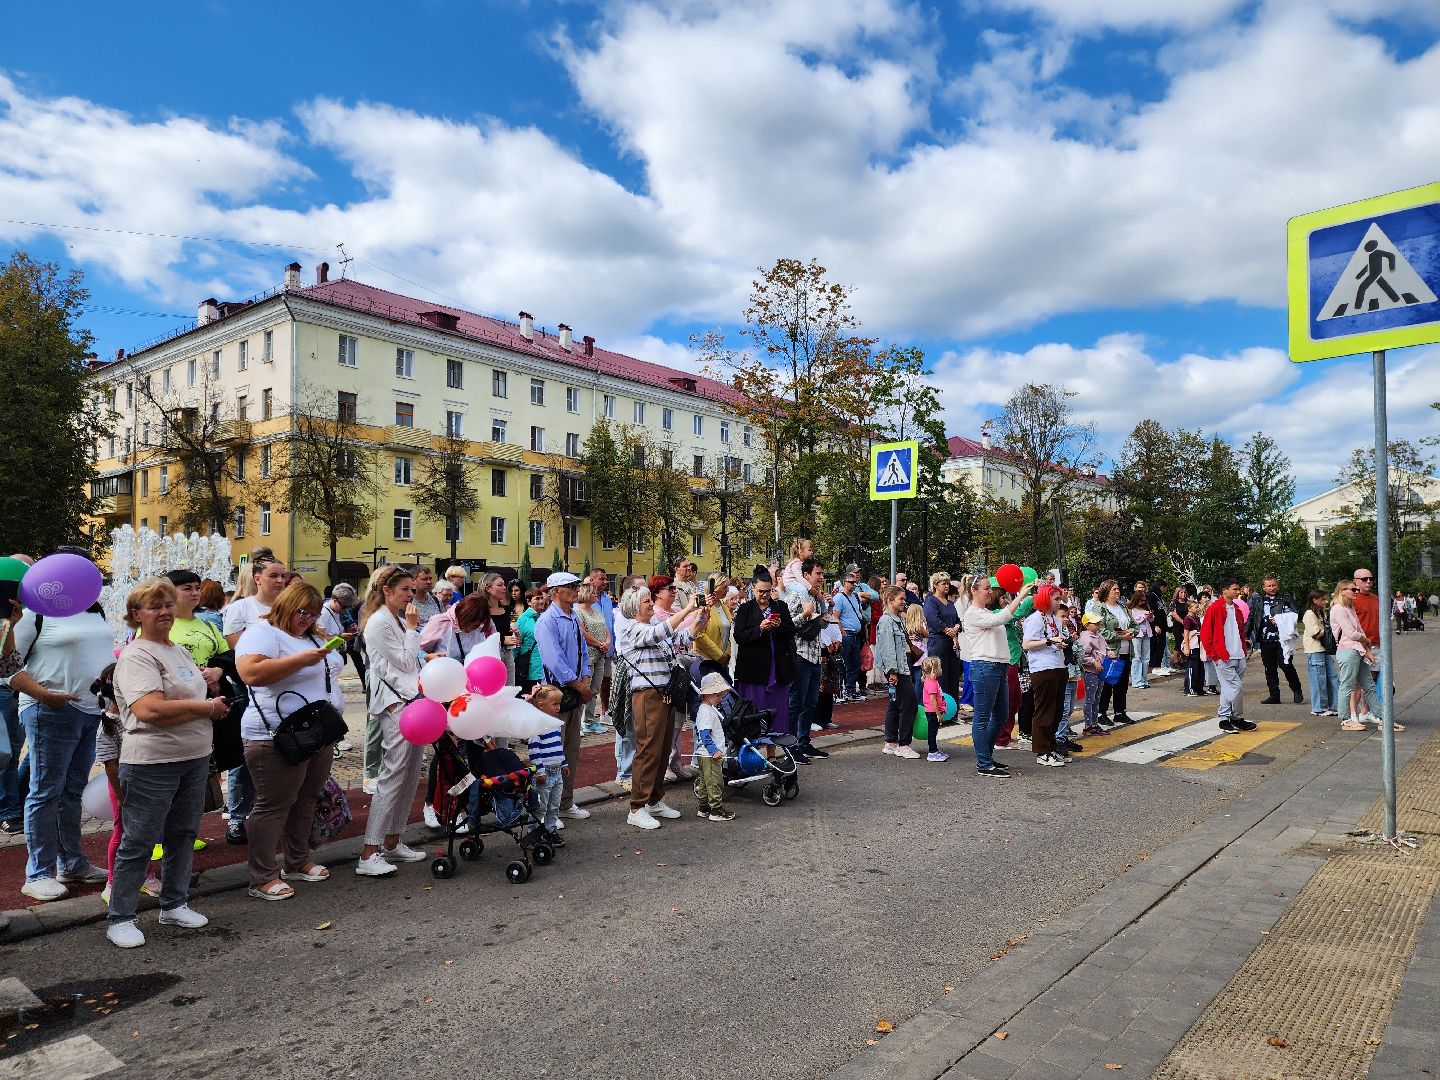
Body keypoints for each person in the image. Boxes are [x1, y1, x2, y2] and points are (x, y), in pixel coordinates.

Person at [106, 578, 230, 948]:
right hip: (152, 761)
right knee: (139, 840)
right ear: (135, 615)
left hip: (193, 757)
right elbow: (150, 709)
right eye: (153, 607)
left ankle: (174, 903)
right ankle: (121, 917)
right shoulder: (137, 654)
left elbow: (182, 696)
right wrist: (207, 708)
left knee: (183, 834)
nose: (164, 612)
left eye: (167, 605)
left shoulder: (177, 650)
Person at [235, 580, 345, 901]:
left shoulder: (310, 633)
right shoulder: (263, 632)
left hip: (317, 731)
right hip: (275, 734)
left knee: (307, 797)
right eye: (302, 612)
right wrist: (302, 659)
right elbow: (250, 673)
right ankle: (262, 876)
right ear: (285, 605)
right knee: (273, 805)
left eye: (313, 614)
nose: (308, 619)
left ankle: (296, 861)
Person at [8, 579, 115, 902]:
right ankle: (38, 873)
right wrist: (43, 695)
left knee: (71, 790)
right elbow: (7, 667)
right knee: (45, 791)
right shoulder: (35, 615)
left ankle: (71, 863)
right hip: (49, 711)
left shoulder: (95, 611)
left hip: (89, 711)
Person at [356, 565, 428, 877]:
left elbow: (411, 663)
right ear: (387, 590)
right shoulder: (379, 622)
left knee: (411, 773)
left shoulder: (396, 619)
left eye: (413, 590)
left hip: (412, 701)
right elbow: (405, 661)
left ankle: (392, 840)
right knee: (392, 775)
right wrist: (413, 630)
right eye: (405, 590)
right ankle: (368, 851)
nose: (411, 595)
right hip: (394, 705)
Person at [615, 585, 698, 830]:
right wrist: (688, 610)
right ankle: (637, 807)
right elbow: (663, 631)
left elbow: (683, 637)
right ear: (633, 607)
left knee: (661, 750)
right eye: (646, 602)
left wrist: (701, 616)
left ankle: (654, 800)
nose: (651, 604)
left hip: (665, 694)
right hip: (648, 695)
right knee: (648, 750)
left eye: (650, 601)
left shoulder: (650, 628)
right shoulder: (631, 628)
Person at [221, 553, 290, 844]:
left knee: (286, 755)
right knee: (246, 757)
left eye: (283, 576)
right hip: (250, 691)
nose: (280, 580)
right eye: (273, 575)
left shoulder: (289, 606)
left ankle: (280, 816)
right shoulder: (241, 608)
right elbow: (242, 654)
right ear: (257, 577)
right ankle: (237, 817)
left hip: (287, 689)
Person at [962, 576, 1036, 777]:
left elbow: (1004, 618)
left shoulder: (986, 611)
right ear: (974, 591)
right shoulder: (973, 614)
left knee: (1002, 715)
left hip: (999, 667)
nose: (990, 591)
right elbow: (1000, 618)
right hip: (985, 667)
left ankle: (986, 756)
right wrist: (1021, 595)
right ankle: (984, 763)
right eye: (986, 588)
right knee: (982, 718)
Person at [535, 571, 593, 821]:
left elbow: (584, 653)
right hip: (555, 694)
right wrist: (581, 686)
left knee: (571, 749)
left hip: (574, 691)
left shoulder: (573, 617)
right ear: (555, 591)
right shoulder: (548, 620)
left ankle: (565, 803)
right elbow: (554, 660)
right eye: (570, 585)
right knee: (551, 752)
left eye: (577, 585)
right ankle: (547, 809)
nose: (576, 589)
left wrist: (586, 679)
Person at [735, 567, 798, 756]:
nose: (764, 595)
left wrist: (778, 627)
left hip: (777, 668)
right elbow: (739, 636)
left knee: (776, 712)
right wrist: (759, 629)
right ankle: (751, 754)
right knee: (754, 712)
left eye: (768, 591)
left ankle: (772, 754)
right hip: (754, 671)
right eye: (760, 591)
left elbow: (791, 632)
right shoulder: (745, 609)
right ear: (752, 589)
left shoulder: (780, 607)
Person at [781, 559, 826, 761]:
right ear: (806, 575)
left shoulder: (816, 596)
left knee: (811, 703)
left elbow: (822, 621)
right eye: (817, 574)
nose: (821, 578)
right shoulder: (796, 594)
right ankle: (790, 747)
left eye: (822, 574)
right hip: (800, 654)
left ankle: (804, 743)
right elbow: (787, 624)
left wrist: (822, 613)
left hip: (815, 655)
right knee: (795, 703)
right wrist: (806, 614)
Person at [1200, 578, 1256, 733]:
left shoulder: (1236, 609)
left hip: (1238, 655)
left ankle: (1225, 719)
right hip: (1223, 657)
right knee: (1236, 687)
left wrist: (1243, 648)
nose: (1238, 592)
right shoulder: (1214, 608)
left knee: (1227, 689)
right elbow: (1205, 635)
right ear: (1224, 590)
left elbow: (1240, 630)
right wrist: (1214, 656)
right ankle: (1236, 718)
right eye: (1234, 589)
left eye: (1238, 589)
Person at [1331, 579, 1387, 732]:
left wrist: (1367, 649)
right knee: (1347, 685)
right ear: (1342, 591)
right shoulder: (1338, 609)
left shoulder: (1350, 608)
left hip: (1358, 651)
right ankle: (1345, 719)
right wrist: (1367, 641)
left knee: (1369, 685)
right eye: (1352, 590)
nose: (1356, 592)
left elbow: (1360, 630)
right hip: (1347, 651)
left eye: (1356, 590)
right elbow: (1351, 633)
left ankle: (1382, 717)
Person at [1022, 587, 1069, 768]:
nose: (1059, 602)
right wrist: (1050, 641)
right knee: (1045, 710)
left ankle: (1050, 747)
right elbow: (1027, 644)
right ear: (1045, 599)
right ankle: (1042, 751)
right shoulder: (1034, 619)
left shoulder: (1053, 619)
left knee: (1057, 710)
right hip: (1042, 668)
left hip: (1058, 665)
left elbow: (1053, 640)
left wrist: (1060, 643)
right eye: (1056, 599)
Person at [875, 585, 918, 758]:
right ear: (891, 600)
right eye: (900, 598)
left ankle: (891, 741)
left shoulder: (896, 619)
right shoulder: (887, 621)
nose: (904, 602)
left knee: (894, 704)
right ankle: (903, 743)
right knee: (909, 705)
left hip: (900, 666)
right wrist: (892, 671)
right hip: (897, 669)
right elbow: (887, 648)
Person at [1247, 574, 1303, 706]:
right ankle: (1274, 695)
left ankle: (1296, 689)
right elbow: (1252, 619)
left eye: (1274, 585)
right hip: (1266, 640)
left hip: (1282, 639)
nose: (1272, 588)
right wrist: (1245, 635)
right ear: (1263, 587)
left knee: (1286, 665)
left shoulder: (1286, 598)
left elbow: (1296, 614)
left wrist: (1281, 618)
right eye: (1269, 586)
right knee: (1269, 668)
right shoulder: (1258, 601)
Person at [525, 685, 567, 844]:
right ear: (541, 705)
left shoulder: (555, 723)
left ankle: (550, 831)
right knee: (540, 807)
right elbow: (533, 750)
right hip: (545, 773)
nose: (558, 707)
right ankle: (532, 835)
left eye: (559, 704)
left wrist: (564, 763)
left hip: (557, 773)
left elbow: (558, 745)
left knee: (554, 805)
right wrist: (539, 772)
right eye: (554, 704)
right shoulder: (537, 726)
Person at [691, 671, 734, 821]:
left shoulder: (705, 709)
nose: (720, 698)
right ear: (706, 694)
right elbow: (704, 735)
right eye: (717, 695)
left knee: (705, 782)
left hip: (705, 755)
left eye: (720, 694)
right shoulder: (707, 711)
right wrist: (714, 750)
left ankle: (703, 808)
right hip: (710, 755)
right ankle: (716, 810)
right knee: (715, 782)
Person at [1094, 581, 1136, 726]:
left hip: (1125, 649)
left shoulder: (1122, 607)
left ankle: (1120, 712)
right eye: (1114, 589)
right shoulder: (1100, 608)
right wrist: (1119, 636)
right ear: (1106, 591)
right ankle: (1101, 713)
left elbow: (1133, 624)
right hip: (1110, 651)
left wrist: (1131, 632)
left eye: (1118, 589)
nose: (1117, 591)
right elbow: (1100, 630)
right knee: (1107, 683)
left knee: (1122, 684)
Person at [576, 583, 611, 735]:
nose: (596, 595)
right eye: (593, 593)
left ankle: (589, 720)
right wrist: (599, 644)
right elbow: (582, 632)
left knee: (594, 688)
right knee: (585, 687)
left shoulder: (596, 611)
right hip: (587, 654)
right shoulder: (578, 611)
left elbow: (606, 629)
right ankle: (578, 722)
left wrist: (607, 643)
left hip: (600, 654)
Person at [923, 572, 962, 703]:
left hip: (952, 644)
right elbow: (933, 619)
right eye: (943, 583)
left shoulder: (950, 603)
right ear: (935, 585)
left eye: (948, 583)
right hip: (938, 642)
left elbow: (957, 620)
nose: (947, 586)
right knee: (941, 676)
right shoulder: (931, 601)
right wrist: (947, 630)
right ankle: (940, 710)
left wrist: (956, 628)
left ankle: (953, 710)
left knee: (953, 677)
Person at [1301, 589, 1339, 718]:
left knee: (1332, 677)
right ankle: (1319, 707)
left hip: (1324, 649)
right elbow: (1315, 634)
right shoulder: (1309, 614)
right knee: (1319, 679)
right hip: (1315, 649)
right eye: (1323, 599)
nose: (1325, 602)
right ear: (1315, 600)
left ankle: (1335, 705)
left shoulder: (1321, 613)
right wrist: (1329, 628)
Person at [832, 572, 866, 702]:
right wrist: (842, 632)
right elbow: (835, 617)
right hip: (846, 634)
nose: (854, 584)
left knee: (854, 664)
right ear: (844, 583)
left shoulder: (855, 597)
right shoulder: (839, 598)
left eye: (854, 582)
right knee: (842, 664)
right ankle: (839, 691)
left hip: (855, 635)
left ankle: (850, 690)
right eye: (851, 582)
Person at [1077, 613, 1109, 736]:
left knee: (1097, 698)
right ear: (1087, 625)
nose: (1098, 625)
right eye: (1095, 623)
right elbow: (1082, 655)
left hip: (1100, 670)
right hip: (1090, 671)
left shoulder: (1099, 636)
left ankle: (1095, 723)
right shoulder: (1086, 638)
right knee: (1090, 699)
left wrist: (1110, 653)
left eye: (1098, 622)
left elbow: (1105, 648)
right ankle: (1088, 725)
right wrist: (1093, 662)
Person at [918, 655, 947, 762]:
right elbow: (933, 700)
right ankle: (932, 752)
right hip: (932, 712)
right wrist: (938, 714)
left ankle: (934, 750)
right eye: (940, 667)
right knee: (932, 732)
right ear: (934, 670)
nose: (941, 669)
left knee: (933, 731)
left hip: (932, 711)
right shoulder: (931, 684)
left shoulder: (932, 681)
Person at [1127, 588, 1153, 689]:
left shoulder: (1145, 608)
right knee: (1136, 657)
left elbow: (1151, 619)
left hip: (1146, 634)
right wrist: (1143, 616)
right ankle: (1136, 680)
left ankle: (1143, 679)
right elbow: (1132, 622)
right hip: (1137, 634)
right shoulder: (1131, 609)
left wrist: (1149, 615)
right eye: (1141, 600)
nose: (1143, 602)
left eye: (1144, 600)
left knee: (1146, 658)